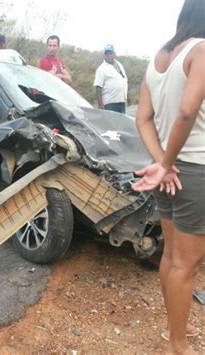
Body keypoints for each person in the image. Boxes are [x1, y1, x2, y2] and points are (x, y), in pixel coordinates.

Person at [132, 0, 205, 353]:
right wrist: (168, 161)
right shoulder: (202, 49)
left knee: (171, 257)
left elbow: (142, 118)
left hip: (169, 172)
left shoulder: (159, 58)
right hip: (194, 171)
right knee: (186, 264)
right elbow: (189, 109)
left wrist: (161, 162)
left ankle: (175, 327)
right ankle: (179, 345)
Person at [94, 44, 131, 113]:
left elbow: (125, 80)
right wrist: (100, 104)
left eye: (110, 53)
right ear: (104, 55)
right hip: (109, 103)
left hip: (121, 101)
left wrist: (128, 95)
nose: (108, 56)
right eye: (106, 54)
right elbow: (98, 87)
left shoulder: (119, 64)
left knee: (121, 122)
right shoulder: (101, 69)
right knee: (111, 123)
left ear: (114, 54)